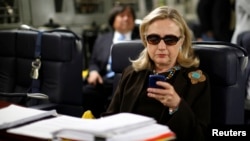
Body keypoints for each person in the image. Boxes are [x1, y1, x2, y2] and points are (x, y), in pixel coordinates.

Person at [102, 6, 211, 141]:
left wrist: (177, 105)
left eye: (170, 40)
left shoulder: (197, 80)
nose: (161, 47)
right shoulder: (131, 73)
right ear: (145, 40)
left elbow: (200, 135)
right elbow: (111, 118)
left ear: (181, 41)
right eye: (154, 39)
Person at [82, 3, 140, 118]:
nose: (126, 18)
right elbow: (93, 61)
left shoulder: (141, 39)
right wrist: (93, 71)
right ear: (113, 20)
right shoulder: (103, 39)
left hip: (129, 82)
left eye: (129, 16)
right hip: (104, 81)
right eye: (122, 15)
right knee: (84, 92)